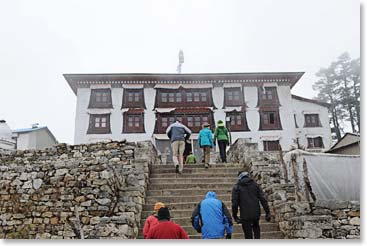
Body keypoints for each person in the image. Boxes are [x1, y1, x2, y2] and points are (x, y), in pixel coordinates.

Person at [231, 171, 271, 239]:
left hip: (245, 214)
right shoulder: (255, 185)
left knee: (248, 235)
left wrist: (235, 216)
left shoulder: (237, 187)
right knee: (256, 229)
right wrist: (267, 212)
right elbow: (263, 199)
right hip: (256, 213)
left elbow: (235, 203)